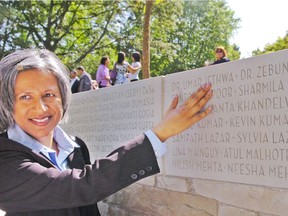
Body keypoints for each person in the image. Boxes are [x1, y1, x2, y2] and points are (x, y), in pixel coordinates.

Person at [0, 49, 213, 216]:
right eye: (25, 97)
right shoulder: (4, 157)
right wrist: (160, 134)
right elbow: (82, 186)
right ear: (9, 103)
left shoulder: (75, 146)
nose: (41, 108)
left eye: (48, 94)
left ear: (63, 97)